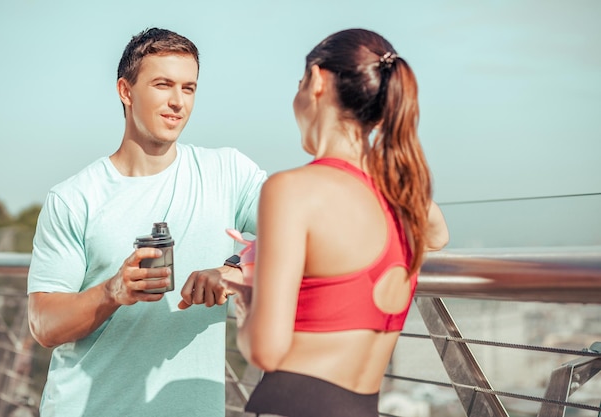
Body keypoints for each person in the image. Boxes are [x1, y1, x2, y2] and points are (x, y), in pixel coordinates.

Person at [27, 27, 266, 417]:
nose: (178, 102)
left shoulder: (229, 172)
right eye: (162, 84)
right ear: (125, 91)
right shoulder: (73, 198)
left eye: (189, 88)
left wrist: (236, 271)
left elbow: (309, 235)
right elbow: (44, 325)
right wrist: (112, 292)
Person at [226, 28, 449, 417]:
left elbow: (266, 349)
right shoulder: (405, 194)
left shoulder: (291, 190)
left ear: (315, 81)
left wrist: (248, 300)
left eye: (298, 84)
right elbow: (438, 235)